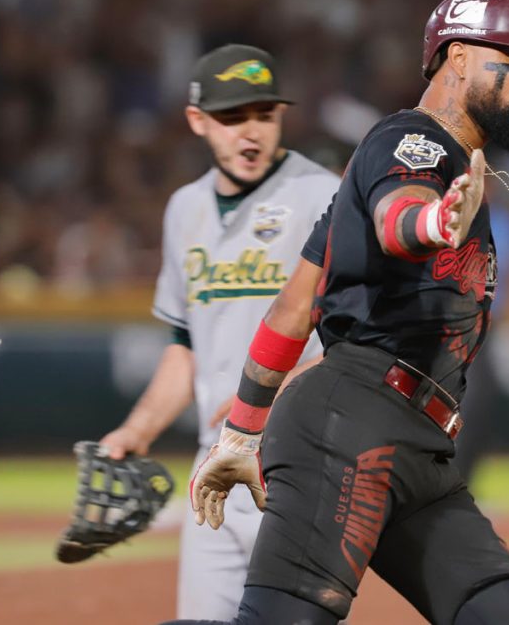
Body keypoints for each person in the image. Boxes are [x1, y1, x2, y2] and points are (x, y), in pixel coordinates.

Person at [184, 0, 509, 625]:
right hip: (350, 425)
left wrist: (241, 430)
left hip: (418, 448)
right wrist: (434, 221)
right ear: (456, 58)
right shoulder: (412, 141)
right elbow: (403, 218)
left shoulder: (433, 167)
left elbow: (293, 306)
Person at [99, 43, 340, 621]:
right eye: (232, 117)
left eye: (264, 113)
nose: (250, 131)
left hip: (297, 465)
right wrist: (136, 429)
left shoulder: (324, 195)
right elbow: (186, 347)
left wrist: (267, 391)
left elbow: (355, 341)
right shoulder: (185, 209)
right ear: (198, 121)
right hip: (215, 468)